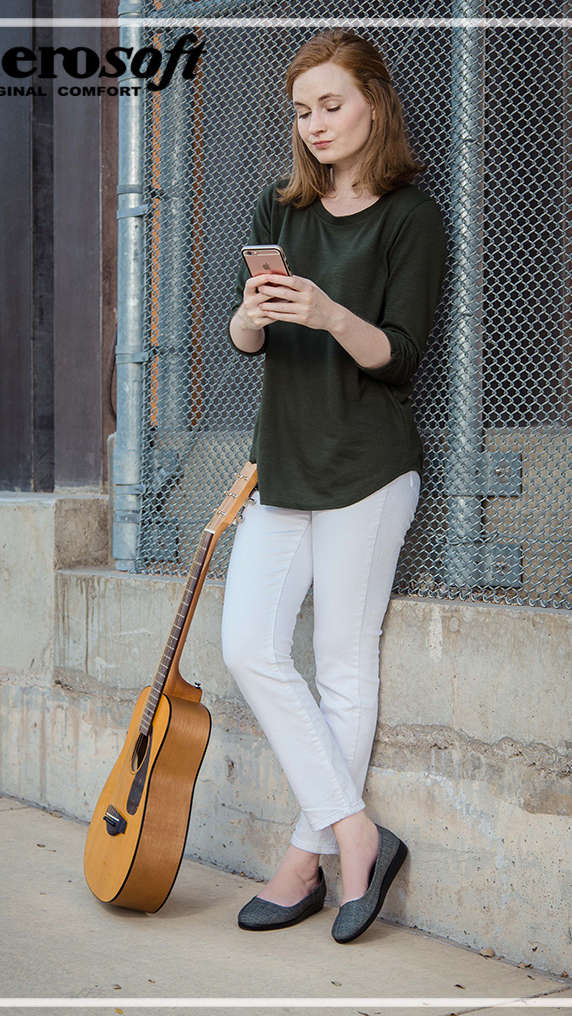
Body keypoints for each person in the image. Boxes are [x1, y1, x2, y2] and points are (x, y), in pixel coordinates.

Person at [221, 28, 447, 943]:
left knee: (345, 667)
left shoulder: (411, 218)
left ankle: (305, 860)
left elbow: (399, 356)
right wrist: (251, 315)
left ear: (373, 105)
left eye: (331, 105)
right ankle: (357, 832)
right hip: (284, 464)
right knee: (249, 647)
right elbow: (248, 345)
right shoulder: (280, 212)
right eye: (303, 111)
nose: (314, 124)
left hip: (368, 465)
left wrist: (328, 310)